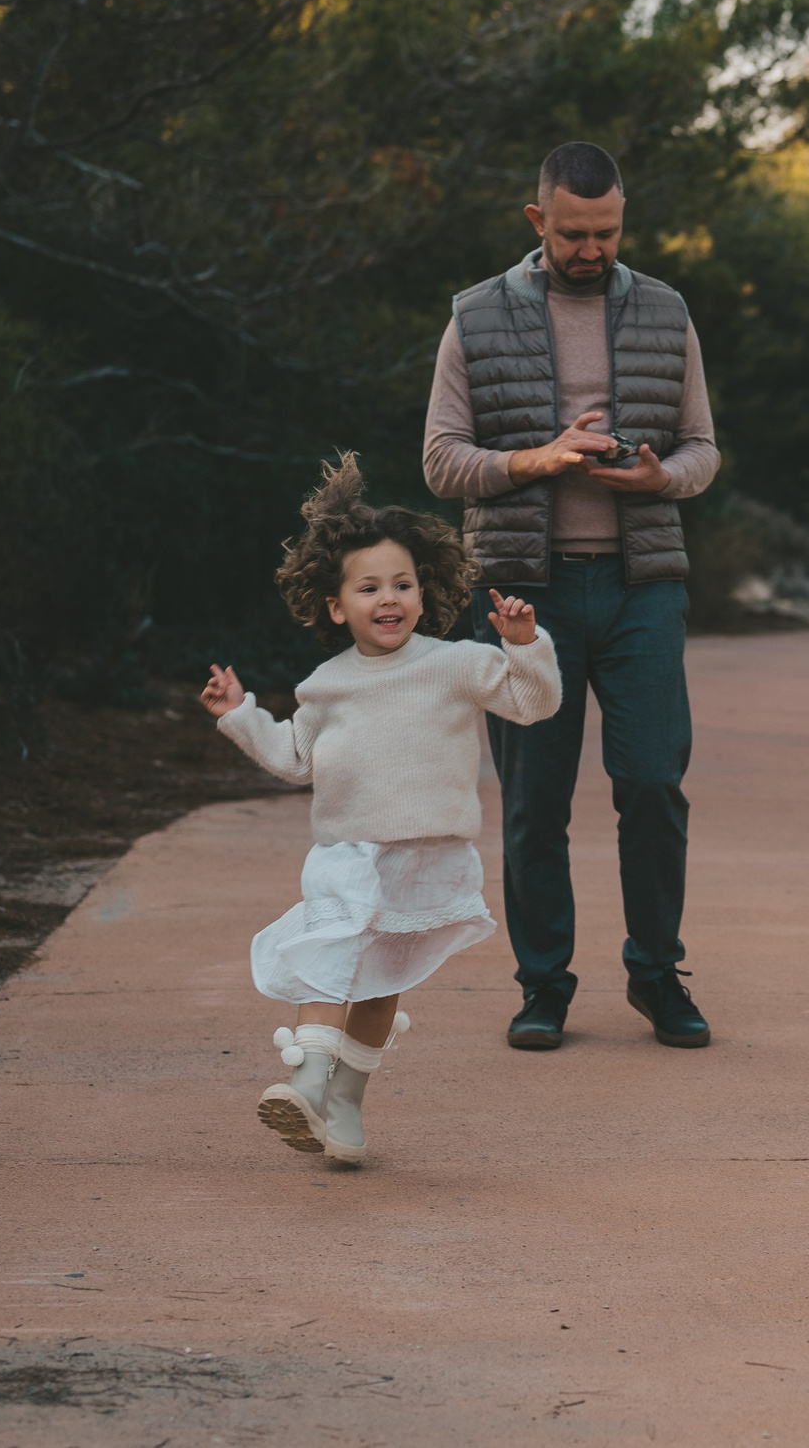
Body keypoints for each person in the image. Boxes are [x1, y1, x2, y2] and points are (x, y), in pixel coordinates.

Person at [423, 141, 721, 1052]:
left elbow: (704, 448)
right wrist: (538, 460)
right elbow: (440, 460)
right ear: (536, 221)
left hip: (641, 590)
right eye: (574, 234)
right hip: (524, 597)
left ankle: (656, 973)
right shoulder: (475, 316)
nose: (592, 249)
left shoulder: (667, 310)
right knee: (532, 801)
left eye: (608, 232)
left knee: (653, 785)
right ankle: (543, 985)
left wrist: (658, 478)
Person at [199, 454, 562, 1164]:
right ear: (337, 606)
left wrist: (526, 646)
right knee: (329, 959)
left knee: (381, 983)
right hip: (349, 854)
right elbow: (293, 759)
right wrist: (242, 714)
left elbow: (532, 703)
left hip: (429, 857)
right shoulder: (324, 686)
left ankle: (345, 1108)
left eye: (402, 583)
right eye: (368, 587)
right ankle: (304, 1079)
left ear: (423, 594)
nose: (388, 597)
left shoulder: (456, 664)